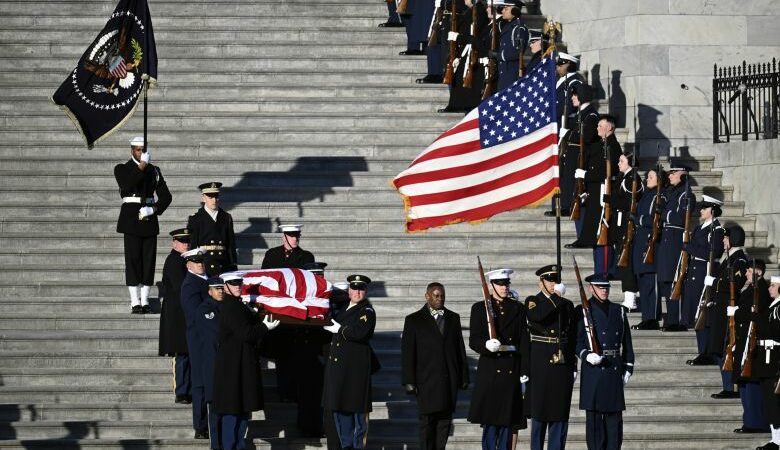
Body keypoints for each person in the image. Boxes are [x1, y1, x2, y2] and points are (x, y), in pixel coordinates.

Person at [213, 274, 280, 450]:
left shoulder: (238, 305)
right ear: (225, 286)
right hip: (233, 367)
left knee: (242, 409)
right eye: (233, 284)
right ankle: (230, 446)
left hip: (240, 364)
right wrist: (265, 327)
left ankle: (238, 445)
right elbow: (246, 334)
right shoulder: (231, 306)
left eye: (239, 283)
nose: (237, 286)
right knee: (233, 410)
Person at [401, 282, 470, 450]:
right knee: (427, 423)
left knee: (445, 423)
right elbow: (408, 353)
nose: (440, 299)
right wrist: (409, 380)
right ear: (427, 296)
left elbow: (459, 348)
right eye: (436, 295)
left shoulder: (453, 318)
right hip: (426, 381)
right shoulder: (413, 320)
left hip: (448, 380)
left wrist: (464, 376)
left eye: (442, 296)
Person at [468, 268, 529, 450]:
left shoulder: (518, 308)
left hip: (511, 367)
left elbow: (524, 341)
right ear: (491, 286)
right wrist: (486, 345)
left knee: (508, 421)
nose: (504, 287)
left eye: (506, 284)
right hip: (491, 369)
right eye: (500, 284)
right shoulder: (479, 308)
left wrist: (524, 370)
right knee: (490, 421)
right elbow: (474, 339)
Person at [576, 273, 634, 450]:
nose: (604, 290)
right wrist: (586, 355)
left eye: (606, 287)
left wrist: (628, 367)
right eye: (600, 287)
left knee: (614, 423)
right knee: (594, 424)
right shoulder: (583, 311)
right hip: (594, 370)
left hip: (613, 368)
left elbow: (627, 343)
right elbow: (576, 343)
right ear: (590, 288)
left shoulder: (619, 310)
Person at [114, 136, 172, 314]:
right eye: (138, 149)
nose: (141, 152)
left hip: (148, 218)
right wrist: (142, 167)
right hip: (131, 219)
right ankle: (134, 301)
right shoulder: (122, 168)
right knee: (133, 261)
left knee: (148, 261)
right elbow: (126, 184)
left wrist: (154, 209)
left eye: (143, 149)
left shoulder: (154, 170)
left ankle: (145, 300)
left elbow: (166, 196)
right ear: (132, 150)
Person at [323, 274, 377, 450]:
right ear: (349, 291)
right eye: (354, 289)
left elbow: (360, 332)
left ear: (365, 292)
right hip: (340, 370)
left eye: (361, 289)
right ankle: (346, 446)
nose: (357, 292)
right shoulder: (343, 309)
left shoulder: (367, 311)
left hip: (356, 371)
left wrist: (340, 329)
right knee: (341, 411)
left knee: (358, 416)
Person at [525, 265, 576, 450]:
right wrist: (556, 298)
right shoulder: (533, 301)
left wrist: (574, 365)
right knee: (540, 413)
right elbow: (537, 316)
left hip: (562, 362)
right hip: (541, 361)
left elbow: (571, 337)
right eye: (549, 280)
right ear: (541, 283)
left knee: (560, 413)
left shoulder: (567, 304)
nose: (553, 284)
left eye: (556, 280)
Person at [572, 113, 620, 274]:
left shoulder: (612, 146)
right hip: (595, 194)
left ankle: (605, 270)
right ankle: (600, 270)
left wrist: (585, 175)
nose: (597, 128)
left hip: (603, 195)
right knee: (596, 237)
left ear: (609, 128)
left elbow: (605, 173)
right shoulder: (603, 144)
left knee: (602, 237)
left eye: (600, 126)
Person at [683, 195, 725, 365]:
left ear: (712, 211)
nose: (700, 210)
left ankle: (707, 352)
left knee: (703, 312)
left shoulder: (717, 230)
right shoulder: (701, 228)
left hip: (705, 272)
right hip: (695, 271)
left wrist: (689, 247)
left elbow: (713, 253)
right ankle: (702, 351)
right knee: (696, 312)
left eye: (704, 208)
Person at [709, 224, 749, 399]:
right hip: (720, 307)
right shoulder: (729, 258)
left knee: (726, 347)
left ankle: (730, 387)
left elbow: (734, 284)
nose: (723, 240)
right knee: (718, 347)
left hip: (728, 308)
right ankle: (727, 385)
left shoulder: (739, 260)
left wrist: (716, 282)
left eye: (726, 238)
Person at [731, 260, 770, 434]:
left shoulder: (761, 290)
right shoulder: (751, 288)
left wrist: (737, 313)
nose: (746, 273)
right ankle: (749, 421)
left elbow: (755, 312)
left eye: (749, 270)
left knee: (751, 383)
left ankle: (755, 422)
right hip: (744, 339)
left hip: (753, 341)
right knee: (745, 383)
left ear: (759, 273)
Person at [657, 162, 696, 332]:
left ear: (682, 174)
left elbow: (681, 218)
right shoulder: (672, 193)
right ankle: (671, 319)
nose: (670, 175)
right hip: (666, 241)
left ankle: (678, 320)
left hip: (675, 242)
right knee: (666, 283)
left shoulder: (686, 194)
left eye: (673, 172)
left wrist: (665, 213)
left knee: (675, 281)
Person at [158, 227, 192, 404]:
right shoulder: (174, 261)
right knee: (181, 355)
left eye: (187, 241)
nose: (186, 244)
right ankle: (181, 390)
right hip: (177, 316)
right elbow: (181, 288)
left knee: (188, 354)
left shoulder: (185, 260)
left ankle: (188, 389)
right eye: (182, 241)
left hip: (185, 314)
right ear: (174, 243)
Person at [179, 248, 210, 439]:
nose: (200, 264)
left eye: (202, 261)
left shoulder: (209, 279)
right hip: (199, 340)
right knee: (199, 383)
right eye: (196, 261)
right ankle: (200, 426)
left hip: (212, 339)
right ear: (188, 264)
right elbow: (196, 315)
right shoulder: (190, 285)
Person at [630, 167, 666, 330]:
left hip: (651, 245)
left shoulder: (660, 196)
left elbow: (656, 221)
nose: (647, 179)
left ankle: (652, 317)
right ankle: (647, 316)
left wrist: (639, 219)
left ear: (659, 179)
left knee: (651, 284)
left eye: (650, 176)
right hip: (640, 244)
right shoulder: (646, 195)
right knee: (643, 284)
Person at [549, 52, 584, 218]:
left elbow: (570, 106)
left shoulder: (574, 82)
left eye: (559, 65)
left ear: (567, 65)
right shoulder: (562, 81)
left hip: (566, 128)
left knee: (565, 167)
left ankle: (564, 204)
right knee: (557, 167)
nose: (557, 68)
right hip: (557, 126)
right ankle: (557, 203)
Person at [438, 0, 489, 113]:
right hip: (464, 47)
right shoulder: (471, 10)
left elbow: (474, 31)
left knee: (463, 77)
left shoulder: (478, 10)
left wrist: (459, 37)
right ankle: (456, 104)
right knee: (458, 77)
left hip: (470, 48)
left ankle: (461, 104)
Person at [609, 150, 644, 310]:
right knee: (623, 261)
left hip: (627, 224)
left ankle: (630, 298)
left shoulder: (632, 179)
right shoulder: (625, 178)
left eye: (621, 161)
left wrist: (610, 199)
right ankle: (632, 296)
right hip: (620, 223)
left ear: (629, 163)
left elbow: (630, 202)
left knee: (626, 262)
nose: (618, 164)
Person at [196, 277, 226, 450]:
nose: (220, 291)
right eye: (216, 289)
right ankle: (216, 445)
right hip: (212, 365)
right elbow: (218, 331)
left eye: (222, 288)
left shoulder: (226, 307)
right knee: (215, 409)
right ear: (209, 291)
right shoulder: (205, 310)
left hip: (224, 364)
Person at [188, 182, 237, 276]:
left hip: (223, 262)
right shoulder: (196, 218)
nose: (214, 200)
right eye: (210, 197)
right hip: (205, 261)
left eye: (216, 197)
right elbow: (193, 244)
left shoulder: (226, 217)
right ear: (203, 198)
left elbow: (231, 243)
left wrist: (233, 263)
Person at [756, 276, 780, 450]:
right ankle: (775, 439)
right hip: (767, 358)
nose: (769, 288)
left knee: (774, 401)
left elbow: (774, 330)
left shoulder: (778, 308)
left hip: (774, 358)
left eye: (773, 286)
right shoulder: (773, 306)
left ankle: (778, 441)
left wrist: (757, 317)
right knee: (769, 401)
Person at [490, 0, 528, 91]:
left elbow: (516, 52)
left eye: (506, 9)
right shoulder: (508, 26)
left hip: (511, 73)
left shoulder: (519, 28)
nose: (502, 11)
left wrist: (497, 55)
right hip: (503, 71)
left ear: (514, 11)